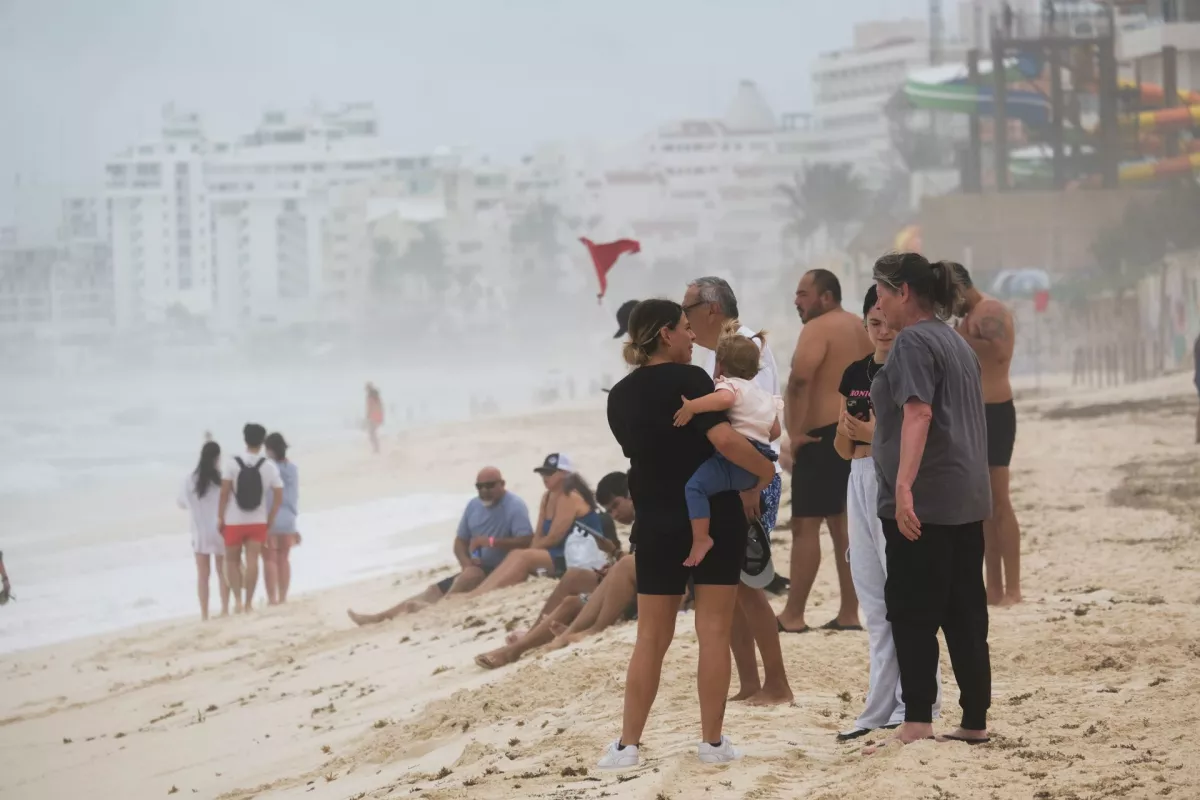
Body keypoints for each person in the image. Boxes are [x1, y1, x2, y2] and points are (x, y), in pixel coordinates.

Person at [600, 299, 776, 769]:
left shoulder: (618, 395)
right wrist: (765, 471)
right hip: (713, 517)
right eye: (683, 328)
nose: (691, 337)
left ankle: (628, 745)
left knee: (651, 638)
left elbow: (641, 453)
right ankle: (712, 743)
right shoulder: (694, 382)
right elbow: (722, 440)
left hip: (656, 520)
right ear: (664, 335)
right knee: (713, 631)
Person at [869, 252, 992, 749]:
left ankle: (918, 717)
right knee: (965, 611)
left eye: (880, 294)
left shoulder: (914, 341)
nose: (878, 305)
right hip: (965, 496)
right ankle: (974, 719)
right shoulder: (955, 341)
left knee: (912, 608)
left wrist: (902, 489)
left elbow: (917, 414)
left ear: (902, 292)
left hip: (926, 501)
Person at [832, 286, 942, 741]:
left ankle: (915, 702)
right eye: (874, 324)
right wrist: (851, 431)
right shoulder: (855, 372)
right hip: (857, 476)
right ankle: (879, 705)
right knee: (872, 599)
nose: (882, 332)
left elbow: (915, 431)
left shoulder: (909, 365)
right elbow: (842, 448)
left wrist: (874, 432)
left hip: (894, 478)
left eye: (888, 323)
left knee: (905, 598)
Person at [683, 275, 793, 706]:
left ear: (710, 309)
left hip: (749, 477)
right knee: (727, 585)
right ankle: (750, 682)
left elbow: (758, 427)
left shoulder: (749, 349)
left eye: (688, 308)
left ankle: (778, 684)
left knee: (747, 583)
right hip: (736, 475)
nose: (684, 318)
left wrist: (752, 485)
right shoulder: (727, 351)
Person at [779, 268, 872, 634]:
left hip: (820, 436)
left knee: (805, 525)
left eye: (803, 293)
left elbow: (801, 378)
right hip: (856, 432)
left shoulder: (817, 328)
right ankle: (850, 611)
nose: (797, 300)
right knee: (843, 525)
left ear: (826, 297)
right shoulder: (860, 327)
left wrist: (796, 432)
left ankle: (793, 614)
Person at [347, 467, 533, 624]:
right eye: (480, 486)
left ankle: (439, 607)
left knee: (467, 577)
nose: (484, 490)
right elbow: (460, 541)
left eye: (490, 486)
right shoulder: (473, 506)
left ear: (502, 484)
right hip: (476, 565)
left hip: (501, 568)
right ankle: (379, 618)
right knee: (432, 590)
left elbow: (526, 541)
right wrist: (465, 562)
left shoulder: (515, 506)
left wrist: (491, 542)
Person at [674, 324, 781, 565]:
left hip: (735, 461)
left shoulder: (728, 385)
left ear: (719, 364)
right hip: (759, 464)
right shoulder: (765, 397)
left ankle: (701, 538)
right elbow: (774, 431)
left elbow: (724, 399)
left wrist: (693, 406)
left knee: (695, 488)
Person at [952, 264, 1022, 607]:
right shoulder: (965, 318)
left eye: (949, 297)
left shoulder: (990, 311)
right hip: (971, 416)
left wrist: (957, 338)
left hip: (994, 412)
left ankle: (1013, 588)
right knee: (982, 506)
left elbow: (999, 353)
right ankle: (992, 588)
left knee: (999, 501)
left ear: (960, 287)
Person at [462, 456, 616, 596]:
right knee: (517, 553)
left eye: (549, 473)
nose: (544, 477)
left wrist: (531, 551)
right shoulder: (547, 496)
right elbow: (539, 535)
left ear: (564, 474)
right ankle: (481, 590)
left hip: (577, 555)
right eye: (543, 473)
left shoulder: (570, 496)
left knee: (524, 557)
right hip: (558, 553)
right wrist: (531, 549)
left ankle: (484, 592)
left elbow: (555, 537)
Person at [218, 423, 284, 614]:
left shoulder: (231, 463)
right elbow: (279, 495)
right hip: (258, 521)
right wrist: (270, 518)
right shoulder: (269, 466)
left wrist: (220, 516)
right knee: (253, 560)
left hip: (234, 521)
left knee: (232, 561)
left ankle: (237, 601)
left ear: (244, 438)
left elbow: (224, 493)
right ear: (262, 442)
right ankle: (248, 604)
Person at [178, 440, 231, 620]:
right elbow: (229, 502)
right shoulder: (221, 479)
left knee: (203, 575)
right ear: (217, 458)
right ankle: (225, 609)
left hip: (200, 533)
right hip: (219, 530)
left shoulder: (189, 480)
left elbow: (181, 503)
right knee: (222, 571)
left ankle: (205, 614)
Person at [262, 432, 300, 605]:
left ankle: (272, 599)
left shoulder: (268, 469)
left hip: (271, 517)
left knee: (270, 558)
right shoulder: (293, 469)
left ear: (270, 450)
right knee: (284, 559)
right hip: (289, 518)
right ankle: (283, 597)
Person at [365, 383, 384, 454]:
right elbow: (380, 407)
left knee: (371, 434)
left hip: (373, 417)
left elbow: (370, 408)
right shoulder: (376, 397)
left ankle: (376, 449)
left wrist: (368, 416)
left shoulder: (370, 397)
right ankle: (376, 448)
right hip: (377, 417)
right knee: (373, 433)